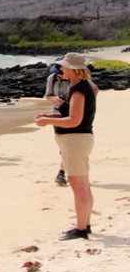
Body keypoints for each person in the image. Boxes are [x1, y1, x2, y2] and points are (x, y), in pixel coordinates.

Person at [35, 53, 97, 241]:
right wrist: (49, 116)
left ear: (71, 69)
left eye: (64, 67)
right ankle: (84, 224)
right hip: (80, 139)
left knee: (79, 186)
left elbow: (74, 120)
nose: (61, 70)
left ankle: (81, 228)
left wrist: (46, 120)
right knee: (83, 185)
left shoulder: (78, 89)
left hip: (75, 140)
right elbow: (71, 115)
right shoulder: (82, 87)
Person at [44, 57, 100, 186]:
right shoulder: (52, 79)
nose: (60, 73)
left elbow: (94, 90)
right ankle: (66, 171)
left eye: (62, 70)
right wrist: (55, 100)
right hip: (58, 113)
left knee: (69, 147)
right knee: (63, 146)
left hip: (73, 118)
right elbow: (48, 96)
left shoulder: (79, 85)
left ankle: (62, 172)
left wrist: (83, 104)